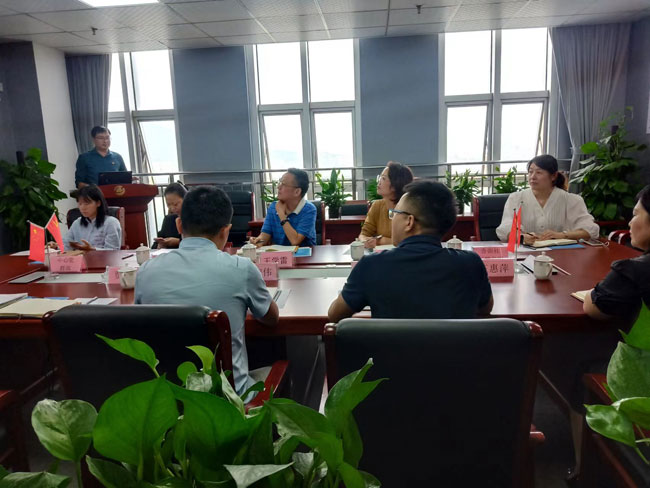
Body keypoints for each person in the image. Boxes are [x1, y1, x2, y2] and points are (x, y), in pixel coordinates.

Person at [135, 186, 279, 397]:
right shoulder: (242, 268)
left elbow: (142, 325)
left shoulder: (145, 271)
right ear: (225, 230)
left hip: (166, 400)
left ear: (179, 225)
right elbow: (271, 319)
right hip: (229, 400)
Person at [328, 180, 493, 322]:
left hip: (391, 351)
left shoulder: (372, 265)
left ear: (409, 221)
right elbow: (485, 309)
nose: (392, 219)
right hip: (454, 351)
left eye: (394, 213)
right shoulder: (471, 264)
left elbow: (335, 315)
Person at [495, 155, 599, 244]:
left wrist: (561, 235)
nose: (532, 177)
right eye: (530, 172)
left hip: (562, 254)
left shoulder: (572, 200)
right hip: (526, 254)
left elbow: (590, 231)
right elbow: (505, 229)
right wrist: (521, 237)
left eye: (539, 173)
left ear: (553, 176)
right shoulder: (516, 198)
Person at [585, 185, 650, 321]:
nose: (630, 223)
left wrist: (590, 293)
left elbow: (593, 307)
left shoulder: (633, 270)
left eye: (635, 215)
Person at [251, 168, 317, 247]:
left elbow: (295, 241)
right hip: (280, 254)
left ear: (297, 192)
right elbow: (265, 234)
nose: (279, 187)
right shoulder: (273, 207)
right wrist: (258, 241)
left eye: (284, 184)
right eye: (280, 182)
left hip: (304, 254)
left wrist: (281, 214)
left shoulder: (309, 210)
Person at [359, 161, 414, 248]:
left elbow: (409, 241)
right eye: (380, 177)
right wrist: (365, 241)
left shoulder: (410, 208)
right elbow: (363, 234)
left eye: (383, 178)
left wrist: (381, 240)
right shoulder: (377, 206)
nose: (379, 182)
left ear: (395, 184)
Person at [62, 185, 122, 251]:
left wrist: (92, 250)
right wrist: (57, 246)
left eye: (86, 203)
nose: (82, 207)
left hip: (102, 258)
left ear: (98, 203)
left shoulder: (111, 223)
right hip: (80, 257)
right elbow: (66, 244)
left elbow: (113, 251)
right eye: (80, 204)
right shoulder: (77, 223)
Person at [153, 182, 187, 249]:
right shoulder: (169, 220)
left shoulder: (195, 219)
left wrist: (178, 242)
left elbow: (199, 243)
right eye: (168, 205)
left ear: (186, 200)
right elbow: (155, 245)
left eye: (175, 204)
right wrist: (160, 245)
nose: (172, 208)